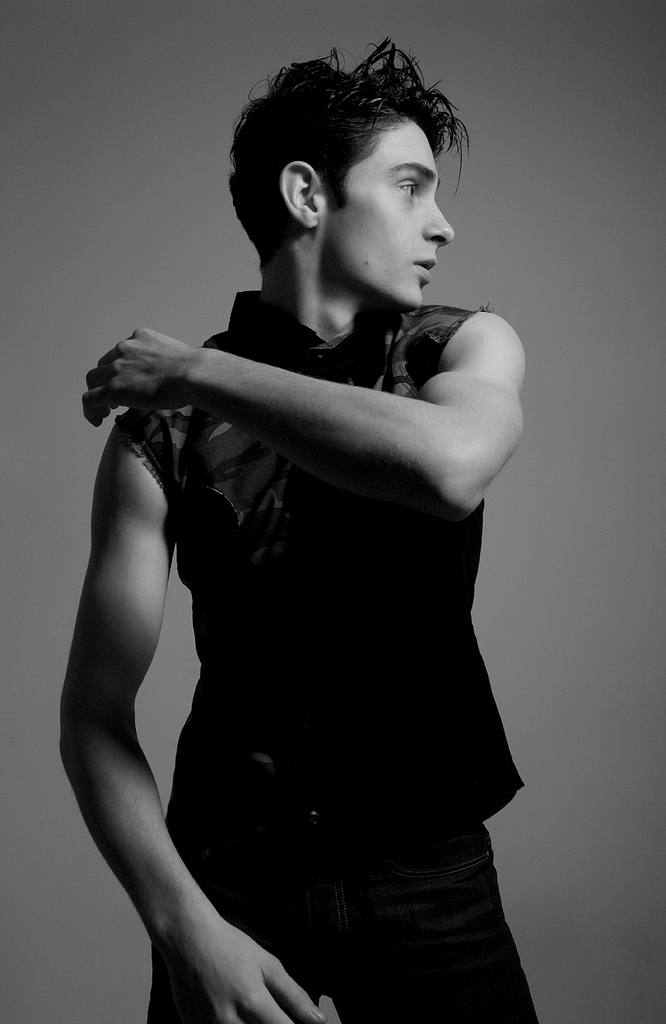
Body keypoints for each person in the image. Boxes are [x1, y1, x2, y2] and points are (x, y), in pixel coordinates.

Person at [61, 40, 538, 1024]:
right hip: (230, 886)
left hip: (431, 877)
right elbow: (94, 717)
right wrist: (185, 928)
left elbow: (450, 465)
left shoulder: (459, 347)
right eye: (409, 187)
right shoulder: (162, 433)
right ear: (308, 195)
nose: (442, 224)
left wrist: (198, 371)